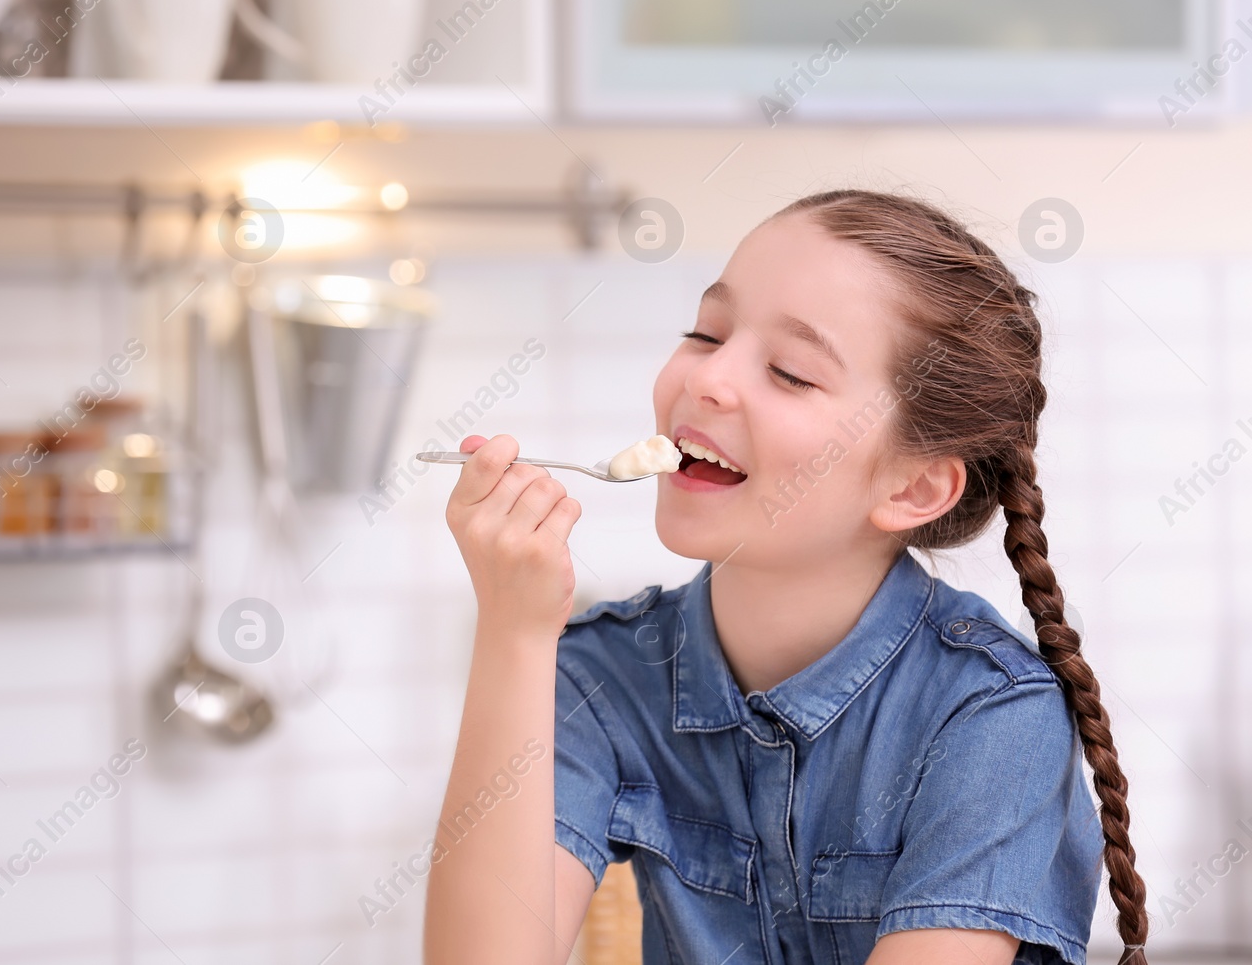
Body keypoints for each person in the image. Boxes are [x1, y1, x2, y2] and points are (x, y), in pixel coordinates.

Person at [423, 190, 1149, 965]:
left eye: (791, 372)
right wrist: (513, 630)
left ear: (910, 487)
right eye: (707, 332)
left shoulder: (990, 717)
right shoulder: (605, 676)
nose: (708, 378)